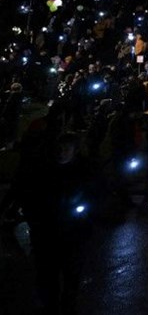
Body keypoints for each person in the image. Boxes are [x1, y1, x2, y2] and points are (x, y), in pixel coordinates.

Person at [4, 131, 100, 315]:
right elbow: (30, 196)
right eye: (59, 148)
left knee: (71, 275)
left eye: (66, 149)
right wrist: (35, 220)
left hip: (73, 235)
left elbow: (96, 198)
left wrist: (85, 216)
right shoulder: (44, 171)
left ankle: (68, 306)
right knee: (47, 276)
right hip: (46, 234)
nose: (62, 152)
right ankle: (51, 306)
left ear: (75, 150)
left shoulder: (85, 172)